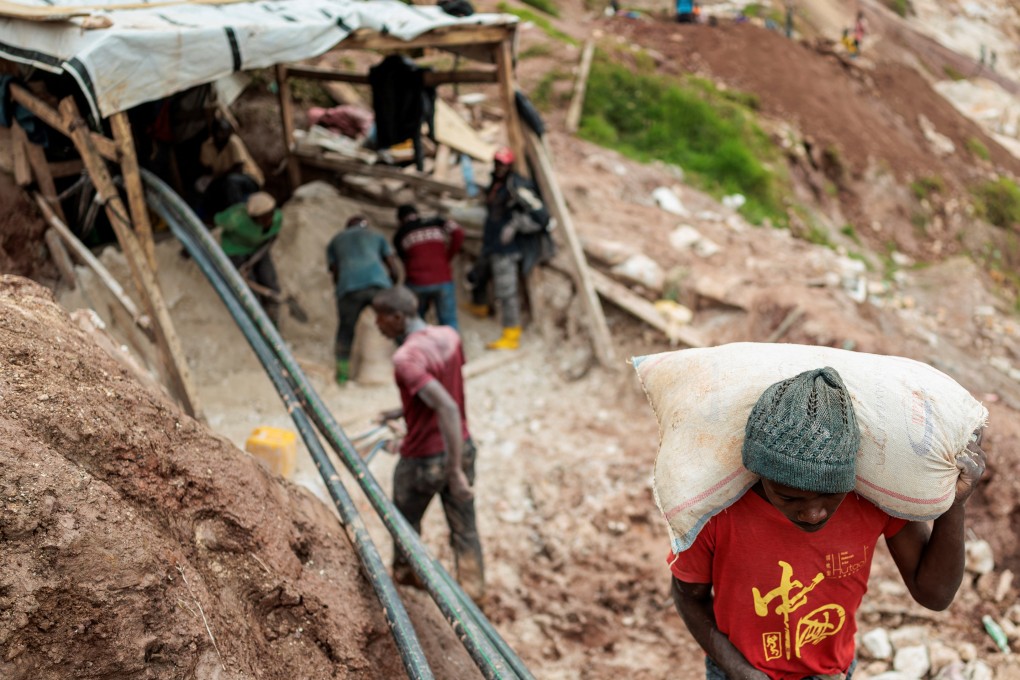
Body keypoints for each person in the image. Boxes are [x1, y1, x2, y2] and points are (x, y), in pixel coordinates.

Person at [669, 367, 986, 680]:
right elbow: (687, 594)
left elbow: (935, 594)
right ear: (758, 475)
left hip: (831, 673)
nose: (813, 514)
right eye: (788, 497)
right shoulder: (718, 512)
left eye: (830, 494)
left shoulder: (871, 502)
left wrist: (954, 504)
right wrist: (740, 671)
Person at [373, 285, 485, 603]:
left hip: (425, 458)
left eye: (380, 319)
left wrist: (452, 472)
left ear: (398, 317)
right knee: (465, 530)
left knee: (405, 529)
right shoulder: (449, 336)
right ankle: (476, 597)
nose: (377, 326)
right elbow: (446, 385)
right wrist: (403, 410)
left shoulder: (406, 357)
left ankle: (411, 596)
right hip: (461, 446)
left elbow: (446, 406)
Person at [477, 146, 551, 350]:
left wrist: (515, 225)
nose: (499, 167)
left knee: (506, 291)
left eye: (503, 164)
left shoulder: (517, 187)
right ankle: (480, 307)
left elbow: (542, 216)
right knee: (480, 273)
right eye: (497, 163)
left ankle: (511, 334)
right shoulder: (497, 183)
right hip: (492, 243)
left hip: (508, 249)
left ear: (510, 165)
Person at [326, 215, 402, 385]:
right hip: (378, 284)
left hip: (349, 288)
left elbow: (335, 272)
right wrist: (391, 289)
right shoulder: (376, 235)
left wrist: (342, 291)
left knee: (345, 331)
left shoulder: (336, 240)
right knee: (397, 325)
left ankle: (342, 377)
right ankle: (412, 363)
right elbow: (392, 266)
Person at [393, 203, 465, 331]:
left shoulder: (399, 235)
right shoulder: (436, 221)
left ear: (400, 220)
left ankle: (419, 349)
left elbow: (405, 261)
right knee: (449, 321)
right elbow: (458, 232)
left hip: (417, 283)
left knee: (415, 321)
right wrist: (447, 257)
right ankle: (453, 350)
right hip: (443, 279)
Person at [215, 192, 283, 325]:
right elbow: (216, 220)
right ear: (253, 217)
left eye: (270, 215)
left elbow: (272, 237)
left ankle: (273, 316)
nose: (269, 221)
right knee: (249, 288)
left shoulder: (277, 217)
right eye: (263, 218)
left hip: (258, 248)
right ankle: (256, 320)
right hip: (235, 249)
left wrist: (256, 257)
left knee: (268, 279)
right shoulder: (235, 219)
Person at [198, 118, 265, 218]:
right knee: (203, 185)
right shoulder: (207, 146)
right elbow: (207, 168)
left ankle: (239, 215)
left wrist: (218, 177)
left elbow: (239, 169)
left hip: (248, 179)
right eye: (219, 132)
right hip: (222, 179)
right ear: (213, 132)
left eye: (225, 132)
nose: (222, 135)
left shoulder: (233, 142)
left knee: (231, 181)